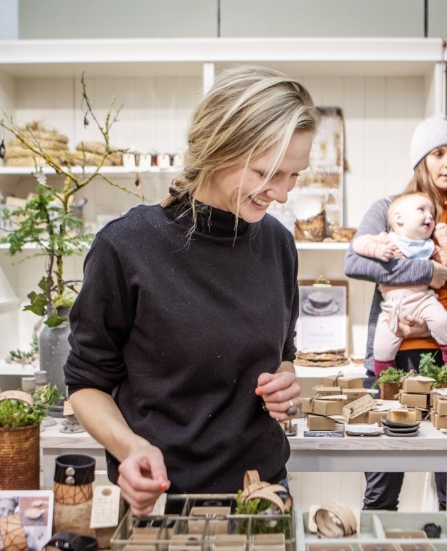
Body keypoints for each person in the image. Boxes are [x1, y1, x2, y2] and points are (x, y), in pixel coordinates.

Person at [64, 65, 317, 515]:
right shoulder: (126, 247)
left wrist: (285, 382)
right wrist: (130, 447)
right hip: (163, 498)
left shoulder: (278, 244)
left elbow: (284, 352)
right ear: (218, 148)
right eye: (267, 173)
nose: (281, 194)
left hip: (263, 494)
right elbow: (86, 383)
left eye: (294, 176)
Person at [344, 114, 447, 510]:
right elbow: (355, 261)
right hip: (393, 359)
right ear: (422, 161)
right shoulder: (389, 209)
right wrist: (429, 271)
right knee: (381, 486)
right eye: (438, 154)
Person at [352, 192, 447, 371]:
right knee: (381, 345)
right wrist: (377, 250)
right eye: (422, 210)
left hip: (424, 300)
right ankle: (385, 379)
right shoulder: (387, 239)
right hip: (393, 307)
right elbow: (358, 244)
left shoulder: (427, 246)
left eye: (432, 214)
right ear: (399, 218)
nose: (429, 216)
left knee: (444, 323)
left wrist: (443, 235)